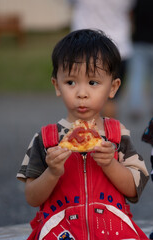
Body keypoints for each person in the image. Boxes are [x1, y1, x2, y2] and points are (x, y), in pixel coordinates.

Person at [17, 29, 149, 240]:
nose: (82, 93)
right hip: (62, 232)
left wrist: (110, 164)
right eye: (70, 82)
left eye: (93, 83)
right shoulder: (45, 139)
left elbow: (135, 190)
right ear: (57, 85)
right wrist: (51, 172)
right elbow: (32, 197)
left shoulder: (118, 135)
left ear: (113, 88)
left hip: (112, 231)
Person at [69, 0, 136, 118]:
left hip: (84, 47)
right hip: (118, 46)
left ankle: (85, 134)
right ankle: (109, 134)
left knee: (83, 98)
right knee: (111, 98)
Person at [126, 0, 153, 120]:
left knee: (136, 77)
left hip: (139, 41)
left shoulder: (137, 2)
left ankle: (135, 108)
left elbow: (130, 17)